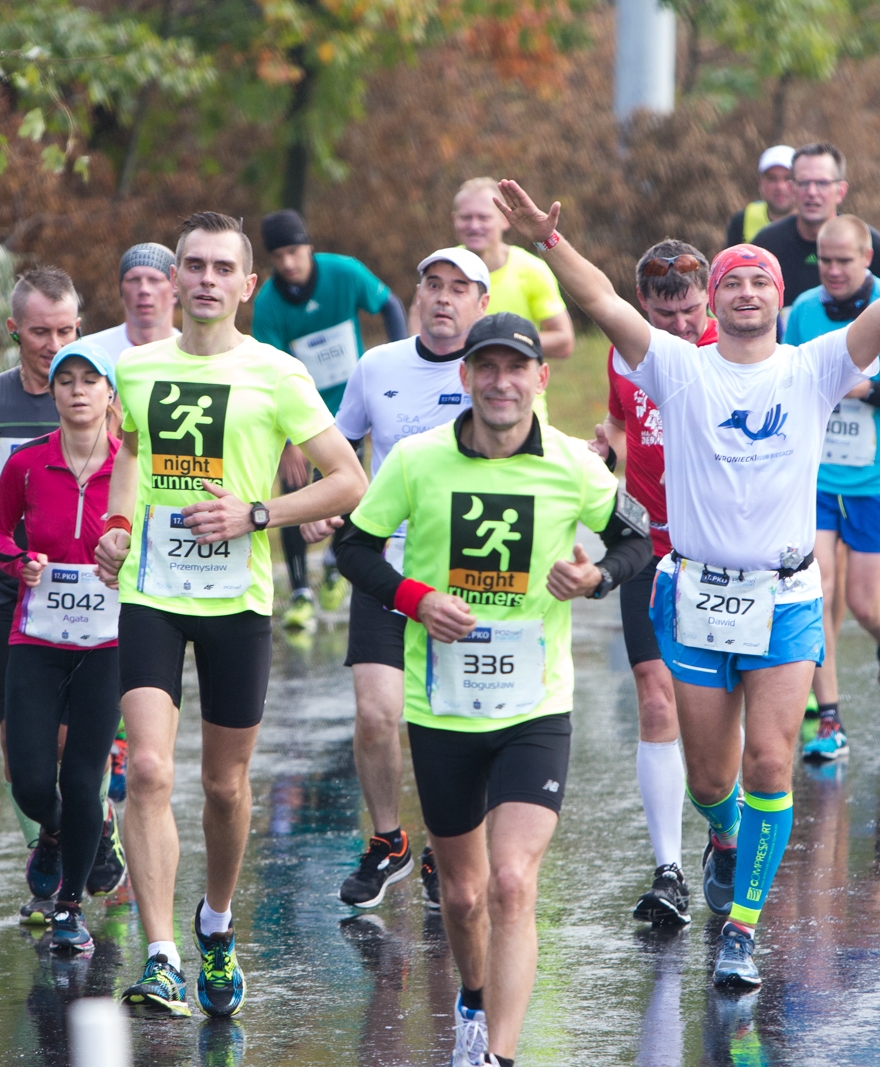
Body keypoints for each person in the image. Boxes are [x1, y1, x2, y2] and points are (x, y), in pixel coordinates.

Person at [491, 170, 880, 988]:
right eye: (729, 281)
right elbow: (600, 299)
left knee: (771, 762)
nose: (744, 291)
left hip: (783, 595)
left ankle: (743, 923)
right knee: (712, 778)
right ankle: (725, 834)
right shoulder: (674, 365)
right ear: (713, 298)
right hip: (696, 592)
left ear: (779, 297)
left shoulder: (815, 365)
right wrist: (547, 239)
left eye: (757, 282)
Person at [330, 312, 651, 1067]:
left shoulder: (573, 463)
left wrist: (596, 576)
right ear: (466, 378)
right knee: (465, 895)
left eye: (517, 369)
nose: (502, 382)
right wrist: (415, 598)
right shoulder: (415, 460)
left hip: (535, 707)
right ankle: (473, 997)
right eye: (487, 368)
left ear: (541, 379)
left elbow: (637, 538)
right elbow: (354, 544)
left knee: (511, 881)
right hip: (441, 707)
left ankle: (496, 1055)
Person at [94, 211, 368, 1018]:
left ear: (248, 285)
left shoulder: (277, 373)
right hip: (151, 592)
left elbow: (348, 480)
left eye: (223, 267)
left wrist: (258, 514)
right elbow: (133, 456)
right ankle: (161, 955)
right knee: (146, 768)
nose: (207, 279)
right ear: (173, 278)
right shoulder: (136, 369)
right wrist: (116, 528)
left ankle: (214, 923)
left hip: (236, 601)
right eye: (194, 265)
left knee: (224, 784)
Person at [327, 246, 489, 913]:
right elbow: (339, 447)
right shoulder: (377, 365)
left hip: (468, 570)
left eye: (459, 288)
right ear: (417, 294)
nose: (443, 297)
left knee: (455, 720)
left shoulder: (493, 369)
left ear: (483, 302)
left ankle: (443, 843)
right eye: (432, 284)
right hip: (388, 565)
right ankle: (389, 839)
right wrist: (325, 504)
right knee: (376, 713)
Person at [0, 339, 125, 953]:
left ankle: (70, 906)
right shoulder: (28, 464)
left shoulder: (130, 465)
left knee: (86, 773)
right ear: (54, 393)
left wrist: (127, 564)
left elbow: (153, 540)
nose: (77, 391)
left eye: (90, 381)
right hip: (35, 637)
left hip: (107, 643)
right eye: (66, 381)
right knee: (32, 782)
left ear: (110, 395)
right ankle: (58, 832)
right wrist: (18, 564)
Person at [0, 267, 87, 919]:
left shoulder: (94, 393)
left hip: (82, 591)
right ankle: (54, 829)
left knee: (69, 735)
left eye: (66, 330)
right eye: (40, 332)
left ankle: (74, 846)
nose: (55, 344)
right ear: (15, 330)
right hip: (12, 590)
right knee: (19, 746)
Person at [592, 239, 715, 925]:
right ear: (643, 305)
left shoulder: (739, 347)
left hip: (719, 549)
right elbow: (618, 418)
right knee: (655, 696)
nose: (678, 328)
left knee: (715, 712)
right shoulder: (624, 352)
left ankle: (721, 831)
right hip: (647, 543)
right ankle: (667, 867)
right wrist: (604, 445)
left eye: (691, 312)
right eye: (664, 315)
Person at [785, 214, 880, 755]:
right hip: (819, 476)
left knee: (865, 603)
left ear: (866, 258)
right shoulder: (803, 312)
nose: (832, 270)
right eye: (824, 261)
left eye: (843, 261)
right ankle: (829, 718)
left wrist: (868, 390)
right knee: (817, 592)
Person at [252, 209, 407, 631]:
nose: (288, 263)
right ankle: (301, 591)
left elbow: (389, 303)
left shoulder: (343, 273)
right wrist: (285, 442)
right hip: (300, 412)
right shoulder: (268, 302)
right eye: (279, 255)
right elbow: (270, 369)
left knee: (348, 485)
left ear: (310, 247)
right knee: (296, 487)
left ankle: (337, 564)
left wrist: (400, 358)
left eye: (295, 251)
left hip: (349, 406)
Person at [750, 143, 880, 305]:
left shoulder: (872, 245)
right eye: (804, 183)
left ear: (840, 191)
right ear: (792, 189)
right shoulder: (766, 245)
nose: (812, 192)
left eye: (822, 183)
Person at [445, 179, 573, 360]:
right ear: (454, 220)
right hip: (456, 386)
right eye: (466, 217)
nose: (474, 226)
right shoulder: (441, 265)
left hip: (518, 387)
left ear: (505, 220)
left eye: (484, 217)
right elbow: (418, 325)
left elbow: (564, 341)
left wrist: (499, 338)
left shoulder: (531, 269)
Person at [89, 243, 180, 359]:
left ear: (175, 288)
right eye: (134, 280)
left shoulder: (193, 355)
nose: (144, 289)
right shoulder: (92, 352)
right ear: (121, 290)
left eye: (154, 280)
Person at [725, 145, 797, 246]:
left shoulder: (814, 222)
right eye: (772, 179)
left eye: (788, 178)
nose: (780, 187)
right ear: (760, 182)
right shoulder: (742, 220)